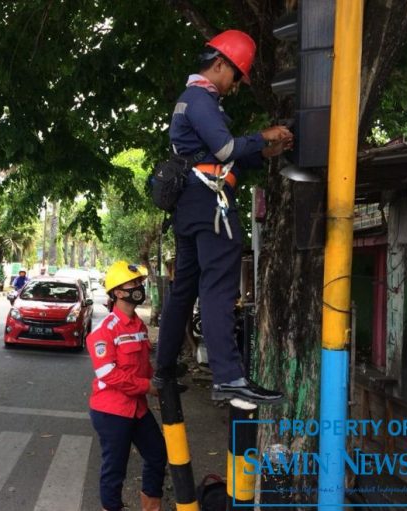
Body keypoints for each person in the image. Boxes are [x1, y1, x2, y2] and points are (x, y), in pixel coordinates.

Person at [154, 29, 292, 404]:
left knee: (184, 289)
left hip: (191, 207)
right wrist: (263, 136)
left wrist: (265, 151)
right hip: (210, 206)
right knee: (219, 288)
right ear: (219, 65)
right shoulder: (200, 98)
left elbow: (222, 156)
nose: (235, 86)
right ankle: (229, 377)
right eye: (235, 76)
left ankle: (164, 366)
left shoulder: (194, 100)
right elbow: (227, 147)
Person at [87, 261, 166, 511]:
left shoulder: (139, 325)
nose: (139, 288)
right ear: (118, 292)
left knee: (157, 454)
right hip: (111, 411)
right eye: (134, 284)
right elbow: (108, 374)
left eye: (139, 284)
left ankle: (151, 506)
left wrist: (157, 382)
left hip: (137, 408)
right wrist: (147, 386)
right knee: (115, 469)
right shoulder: (104, 331)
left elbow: (143, 365)